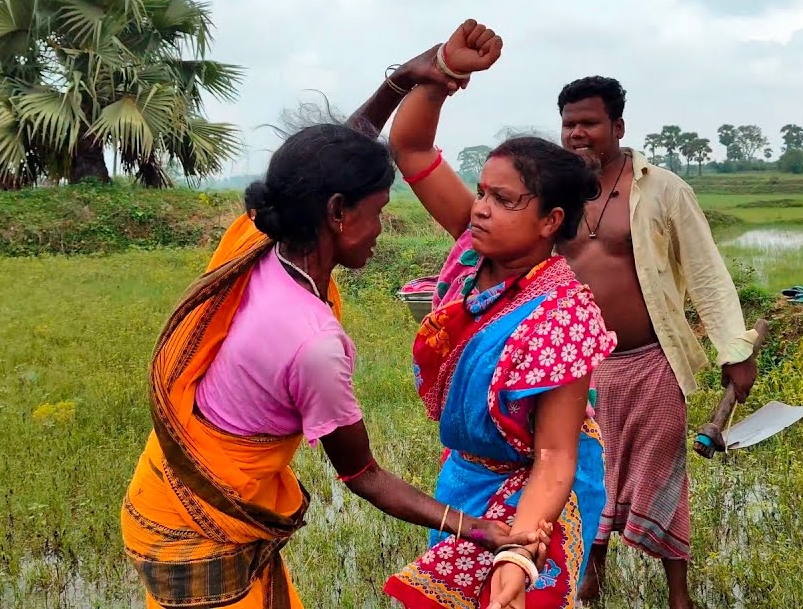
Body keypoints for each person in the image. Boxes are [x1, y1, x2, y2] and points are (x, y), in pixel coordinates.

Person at [119, 45, 548, 609]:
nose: (381, 228)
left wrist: (401, 83)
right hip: (201, 531)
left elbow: (320, 163)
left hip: (165, 492)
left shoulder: (258, 241)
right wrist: (482, 529)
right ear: (339, 212)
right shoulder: (314, 344)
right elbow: (364, 474)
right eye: (377, 211)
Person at [384, 20, 617, 609]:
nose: (482, 209)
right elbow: (409, 147)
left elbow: (557, 454)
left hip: (540, 492)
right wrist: (446, 69)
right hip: (464, 477)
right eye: (482, 192)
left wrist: (519, 549)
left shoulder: (562, 315)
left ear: (550, 221)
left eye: (504, 201)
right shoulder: (470, 249)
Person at [552, 76, 761, 608]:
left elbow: (707, 274)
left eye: (589, 123)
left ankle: (678, 595)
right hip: (579, 368)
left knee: (665, 474)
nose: (577, 134)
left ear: (617, 127)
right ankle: (588, 579)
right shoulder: (553, 192)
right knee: (585, 474)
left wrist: (735, 351)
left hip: (651, 362)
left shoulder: (663, 188)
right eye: (569, 123)